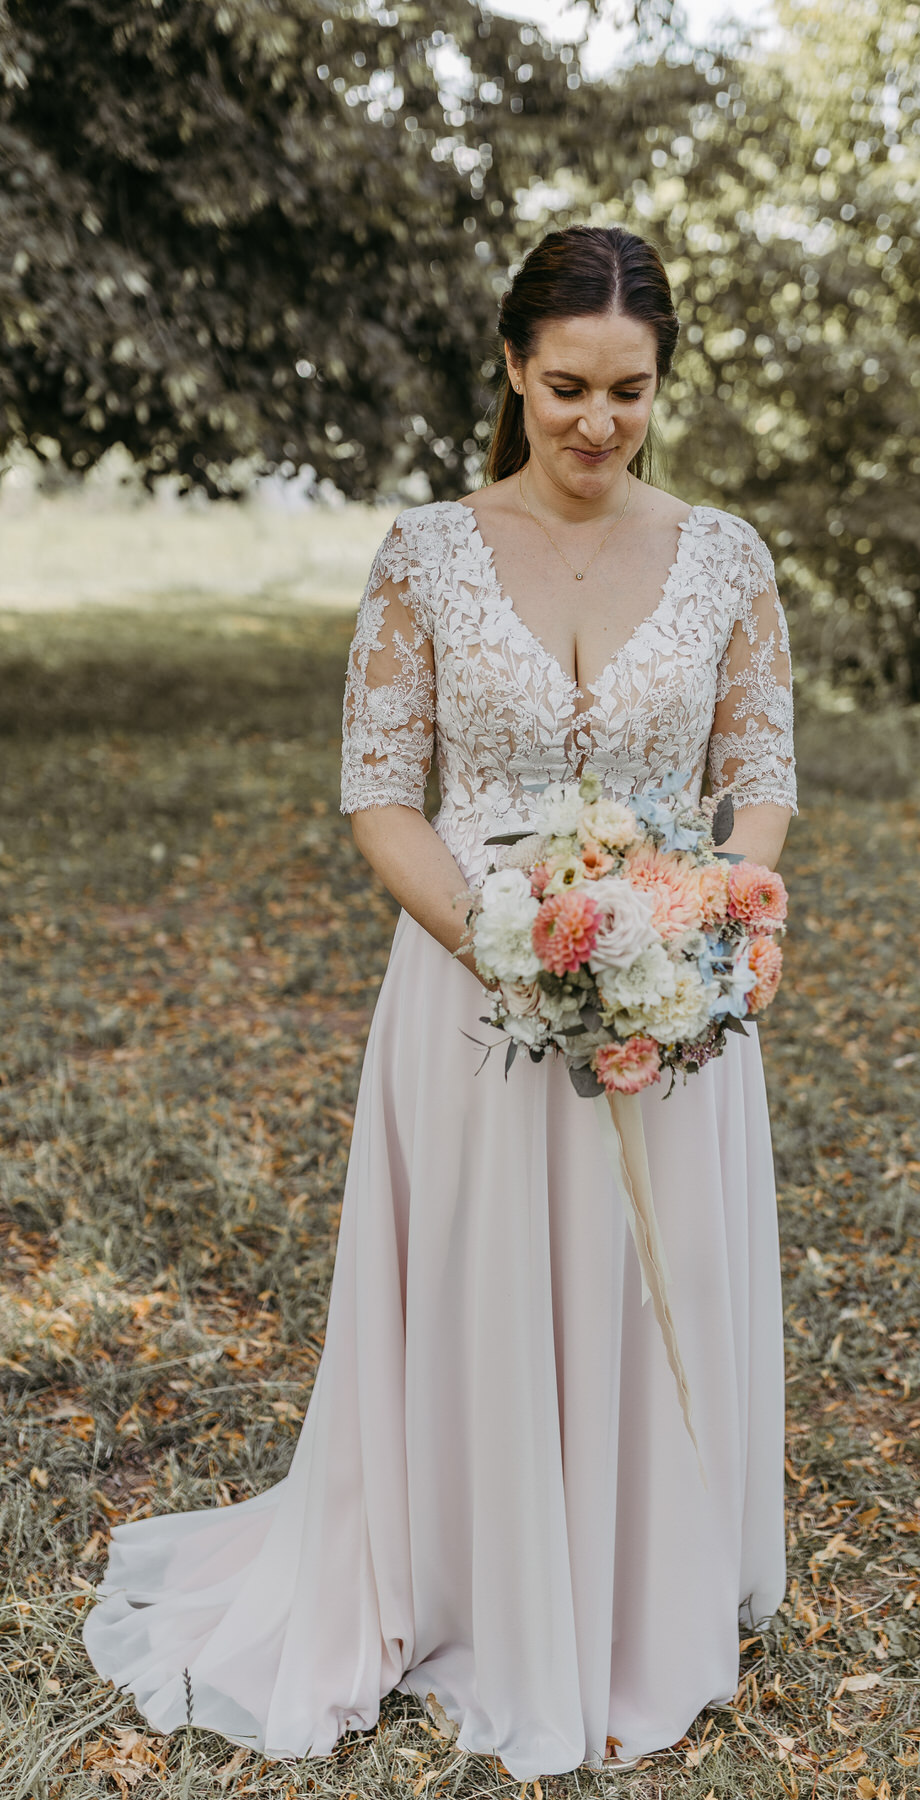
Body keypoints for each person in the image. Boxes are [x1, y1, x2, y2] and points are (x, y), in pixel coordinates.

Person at [82, 223, 799, 1779]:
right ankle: (481, 1589)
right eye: (567, 387)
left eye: (629, 391)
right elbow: (380, 797)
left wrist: (711, 915)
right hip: (475, 994)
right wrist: (505, 940)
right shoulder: (427, 552)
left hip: (667, 1002)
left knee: (648, 1284)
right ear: (511, 369)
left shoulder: (728, 559)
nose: (597, 422)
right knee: (483, 1283)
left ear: (663, 384)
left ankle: (641, 1594)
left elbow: (759, 779)